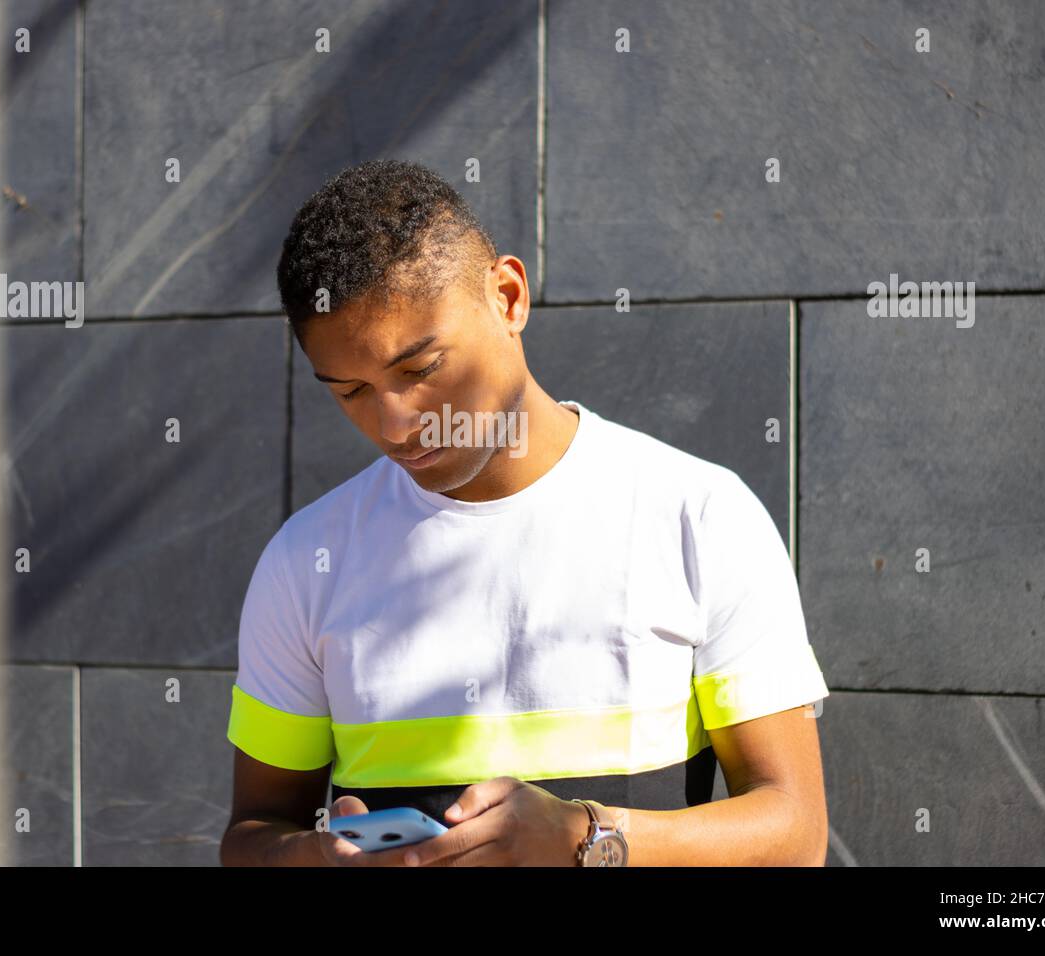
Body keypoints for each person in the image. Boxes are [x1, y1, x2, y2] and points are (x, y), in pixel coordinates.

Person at [220, 159, 830, 866]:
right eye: (350, 390)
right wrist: (317, 860)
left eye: (419, 370)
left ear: (507, 297)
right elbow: (253, 835)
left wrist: (588, 838)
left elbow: (796, 835)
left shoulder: (699, 514)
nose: (394, 424)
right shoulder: (305, 560)